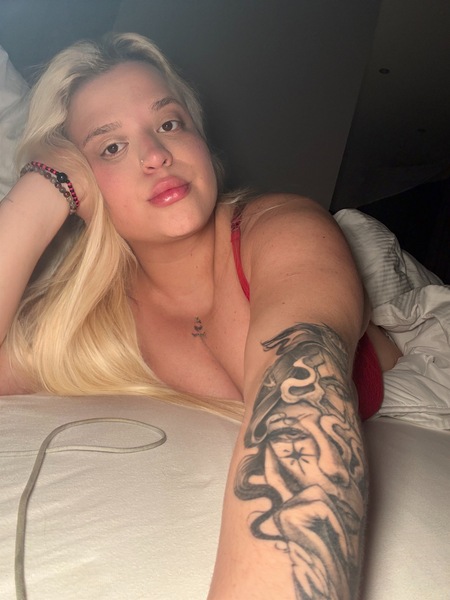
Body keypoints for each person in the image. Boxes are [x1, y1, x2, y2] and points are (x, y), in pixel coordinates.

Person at [0, 32, 402, 599]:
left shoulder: (282, 228)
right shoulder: (91, 326)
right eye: (110, 147)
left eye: (169, 123)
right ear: (81, 184)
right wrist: (40, 193)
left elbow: (301, 411)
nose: (156, 154)